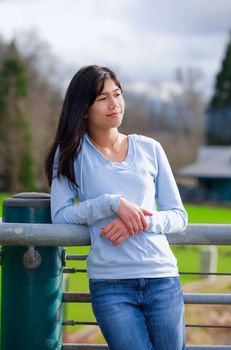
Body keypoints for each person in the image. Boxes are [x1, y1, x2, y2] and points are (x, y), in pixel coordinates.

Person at [45, 65, 188, 350]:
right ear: (84, 108)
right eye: (102, 98)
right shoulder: (71, 154)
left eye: (117, 94)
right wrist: (111, 203)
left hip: (162, 277)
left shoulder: (151, 149)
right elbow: (59, 216)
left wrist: (140, 221)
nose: (114, 104)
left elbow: (178, 217)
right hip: (111, 285)